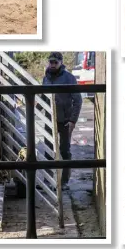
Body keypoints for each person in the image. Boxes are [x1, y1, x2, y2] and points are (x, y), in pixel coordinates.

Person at [42, 52, 82, 190]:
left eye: (55, 62)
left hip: (65, 120)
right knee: (48, 151)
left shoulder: (69, 78)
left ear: (60, 62)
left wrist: (73, 120)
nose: (52, 65)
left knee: (65, 151)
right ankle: (48, 181)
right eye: (50, 62)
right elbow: (43, 97)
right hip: (49, 119)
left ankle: (64, 182)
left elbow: (77, 100)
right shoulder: (46, 77)